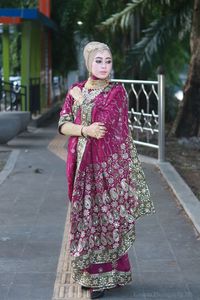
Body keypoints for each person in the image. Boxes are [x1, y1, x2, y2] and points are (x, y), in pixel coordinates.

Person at [58, 41, 155, 299]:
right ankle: (89, 273)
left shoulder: (116, 92)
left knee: (106, 220)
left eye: (108, 61)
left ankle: (104, 277)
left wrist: (83, 111)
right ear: (88, 63)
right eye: (98, 61)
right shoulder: (76, 91)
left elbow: (104, 124)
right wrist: (83, 130)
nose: (104, 66)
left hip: (108, 169)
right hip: (81, 167)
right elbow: (63, 124)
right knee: (85, 219)